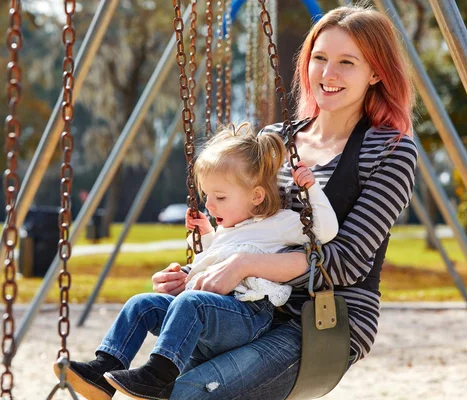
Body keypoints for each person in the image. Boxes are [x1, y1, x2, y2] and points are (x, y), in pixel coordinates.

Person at [158, 5, 418, 399]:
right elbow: (244, 225)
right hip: (250, 305)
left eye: (347, 62)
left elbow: (346, 261)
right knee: (162, 383)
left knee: (195, 390)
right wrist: (199, 271)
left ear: (376, 73)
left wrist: (245, 264)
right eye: (320, 58)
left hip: (322, 317)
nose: (328, 75)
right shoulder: (275, 140)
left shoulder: (390, 150)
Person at [56, 124, 339, 400]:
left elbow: (326, 231)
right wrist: (204, 240)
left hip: (248, 315)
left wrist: (312, 189)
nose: (210, 205)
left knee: (191, 303)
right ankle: (104, 369)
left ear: (256, 196)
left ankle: (158, 376)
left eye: (220, 197)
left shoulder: (278, 223)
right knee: (141, 304)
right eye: (207, 196)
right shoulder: (228, 230)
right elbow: (213, 262)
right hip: (213, 311)